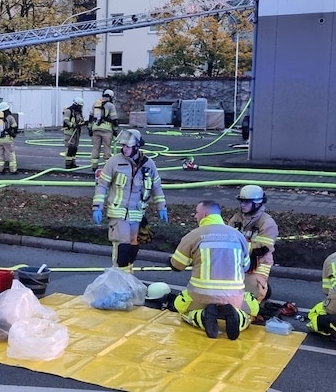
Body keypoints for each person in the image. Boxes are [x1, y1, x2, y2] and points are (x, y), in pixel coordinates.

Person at [170, 200, 258, 340]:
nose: (195, 216)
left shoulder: (193, 235)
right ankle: (239, 318)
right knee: (252, 308)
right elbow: (246, 267)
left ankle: (202, 317)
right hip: (234, 297)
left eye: (197, 213)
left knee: (180, 304)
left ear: (205, 214)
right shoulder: (239, 236)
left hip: (201, 296)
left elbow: (176, 266)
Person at [92, 129, 167, 273]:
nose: (124, 149)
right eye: (123, 146)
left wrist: (162, 207)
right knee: (122, 246)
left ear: (136, 147)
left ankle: (127, 276)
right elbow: (102, 185)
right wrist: (97, 207)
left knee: (133, 245)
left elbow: (156, 187)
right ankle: (119, 278)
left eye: (127, 146)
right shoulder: (114, 162)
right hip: (118, 212)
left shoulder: (148, 164)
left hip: (136, 214)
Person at [227, 185, 279, 303]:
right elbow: (227, 237)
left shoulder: (267, 223)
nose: (242, 205)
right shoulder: (236, 219)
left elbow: (262, 249)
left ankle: (260, 289)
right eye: (241, 202)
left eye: (246, 202)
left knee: (250, 297)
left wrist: (237, 247)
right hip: (238, 261)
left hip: (259, 263)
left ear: (257, 203)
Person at [88, 89, 118, 171]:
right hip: (107, 130)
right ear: (111, 97)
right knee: (107, 148)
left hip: (95, 129)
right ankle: (107, 167)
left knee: (95, 148)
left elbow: (91, 117)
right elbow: (114, 119)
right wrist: (115, 130)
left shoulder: (95, 104)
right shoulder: (111, 106)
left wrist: (90, 128)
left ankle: (94, 166)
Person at [0, 102, 18, 174]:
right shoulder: (10, 117)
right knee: (11, 154)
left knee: (0, 155)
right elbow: (14, 126)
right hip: (7, 138)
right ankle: (13, 170)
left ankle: (1, 169)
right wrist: (12, 132)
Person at [62, 97, 85, 168]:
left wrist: (83, 123)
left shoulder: (78, 112)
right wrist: (73, 125)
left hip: (76, 133)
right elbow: (66, 121)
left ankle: (73, 162)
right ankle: (68, 164)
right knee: (70, 148)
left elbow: (81, 120)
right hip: (70, 133)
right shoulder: (69, 111)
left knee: (75, 148)